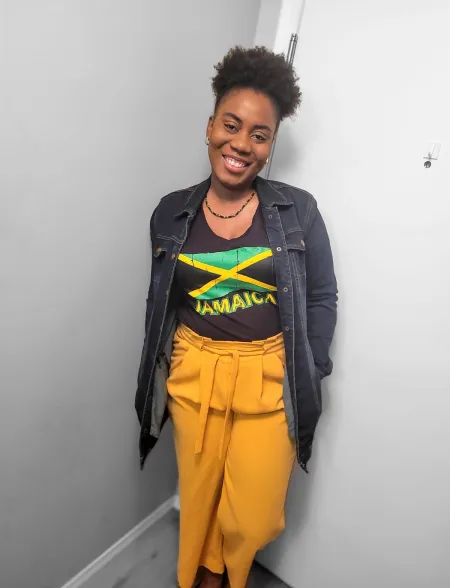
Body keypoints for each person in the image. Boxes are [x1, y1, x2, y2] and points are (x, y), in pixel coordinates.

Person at [135, 46, 337, 588]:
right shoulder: (169, 212)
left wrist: (312, 366)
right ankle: (199, 579)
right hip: (195, 373)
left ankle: (228, 572)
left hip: (271, 374)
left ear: (270, 147)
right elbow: (163, 301)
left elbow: (321, 297)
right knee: (199, 499)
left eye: (259, 134)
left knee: (253, 514)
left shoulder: (300, 210)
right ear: (210, 126)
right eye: (231, 125)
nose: (241, 144)